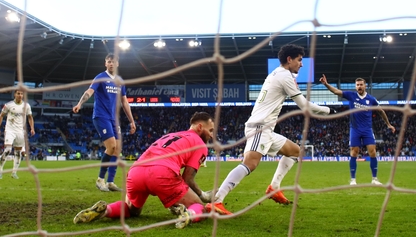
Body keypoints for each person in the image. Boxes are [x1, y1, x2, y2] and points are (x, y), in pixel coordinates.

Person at [210, 44, 331, 214]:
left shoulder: (277, 73)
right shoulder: (285, 76)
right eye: (299, 60)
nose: (302, 64)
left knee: (295, 151)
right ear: (289, 59)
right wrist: (329, 111)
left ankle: (274, 188)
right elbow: (304, 105)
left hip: (266, 128)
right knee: (250, 164)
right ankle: (217, 200)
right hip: (260, 127)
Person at [73, 111, 215, 229]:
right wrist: (202, 195)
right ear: (199, 127)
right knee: (199, 207)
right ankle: (189, 214)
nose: (212, 135)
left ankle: (105, 211)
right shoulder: (200, 144)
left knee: (131, 209)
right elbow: (187, 179)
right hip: (161, 173)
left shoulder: (172, 135)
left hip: (136, 171)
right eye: (210, 130)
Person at [73, 53, 137, 192]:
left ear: (117, 64)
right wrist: (80, 103)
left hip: (114, 119)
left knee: (117, 149)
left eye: (113, 61)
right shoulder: (100, 77)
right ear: (105, 63)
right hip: (101, 116)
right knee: (111, 146)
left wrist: (132, 121)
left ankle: (110, 182)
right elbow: (89, 92)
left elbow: (124, 102)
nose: (111, 64)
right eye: (108, 61)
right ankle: (100, 179)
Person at [319, 74, 395, 184]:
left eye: (361, 85)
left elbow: (381, 111)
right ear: (355, 86)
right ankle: (353, 180)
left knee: (372, 152)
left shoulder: (371, 99)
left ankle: (374, 179)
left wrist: (388, 124)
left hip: (367, 129)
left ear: (365, 86)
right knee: (354, 153)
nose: (359, 86)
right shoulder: (351, 95)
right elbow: (336, 91)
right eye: (357, 85)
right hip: (355, 129)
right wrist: (326, 84)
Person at [0, 89, 35, 180]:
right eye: (18, 93)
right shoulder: (8, 105)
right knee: (8, 150)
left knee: (18, 152)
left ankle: (14, 173)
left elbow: (30, 117)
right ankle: (0, 171)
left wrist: (32, 128)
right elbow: (1, 116)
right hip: (10, 130)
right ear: (15, 94)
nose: (20, 95)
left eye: (21, 94)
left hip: (20, 131)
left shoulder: (26, 106)